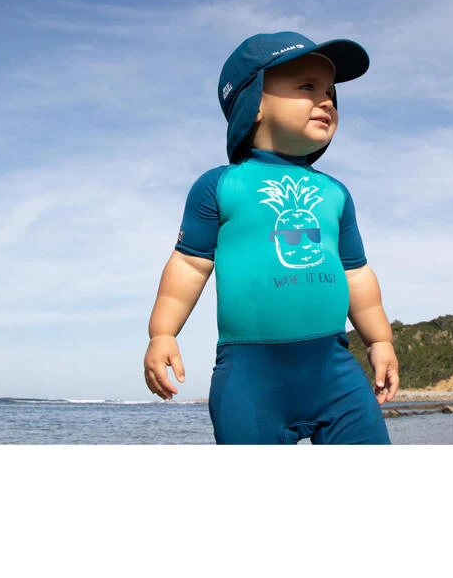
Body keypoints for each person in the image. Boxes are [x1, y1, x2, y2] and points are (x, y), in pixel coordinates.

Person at [143, 31, 399, 444]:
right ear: (254, 103)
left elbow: (356, 273)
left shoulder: (335, 193)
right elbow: (189, 265)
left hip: (336, 370)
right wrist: (162, 334)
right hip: (250, 378)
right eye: (308, 87)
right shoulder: (219, 186)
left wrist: (380, 340)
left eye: (330, 92)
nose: (327, 101)